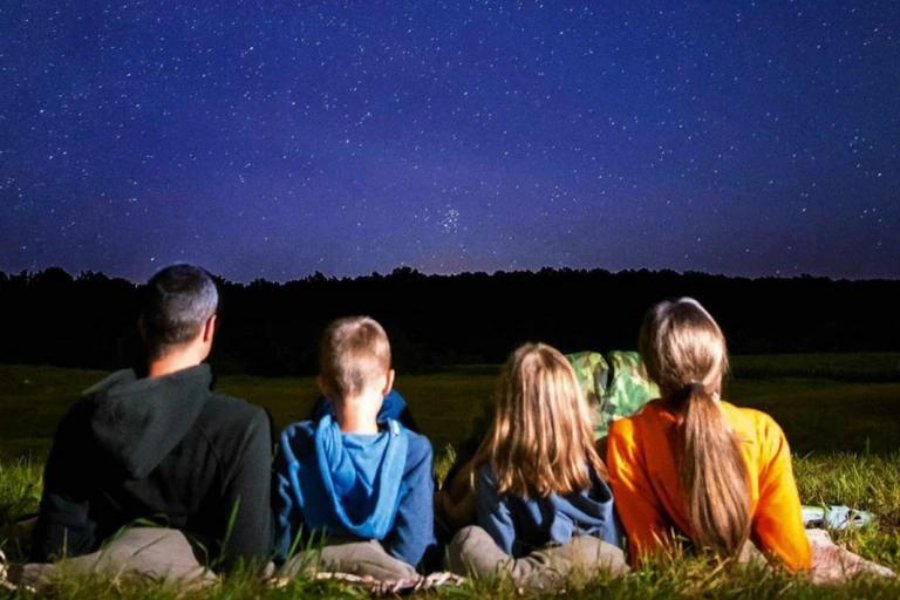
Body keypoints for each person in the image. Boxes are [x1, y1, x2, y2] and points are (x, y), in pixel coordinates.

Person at [29, 264, 273, 583]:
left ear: (143, 327)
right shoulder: (244, 426)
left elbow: (54, 548)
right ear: (209, 329)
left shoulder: (83, 416)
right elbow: (247, 563)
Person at [605, 297, 811, 571]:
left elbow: (650, 552)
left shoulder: (627, 436)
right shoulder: (764, 431)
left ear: (652, 372)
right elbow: (793, 558)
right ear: (719, 363)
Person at [447, 343, 627, 591]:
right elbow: (610, 536)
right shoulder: (589, 460)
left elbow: (502, 551)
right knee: (603, 554)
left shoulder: (494, 472)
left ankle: (532, 583)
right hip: (589, 561)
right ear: (572, 404)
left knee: (467, 541)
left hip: (530, 568)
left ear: (509, 407)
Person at [274, 316, 435, 581]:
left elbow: (285, 533)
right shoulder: (414, 451)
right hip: (387, 574)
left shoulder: (296, 441)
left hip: (310, 568)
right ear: (388, 382)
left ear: (323, 385)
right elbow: (413, 546)